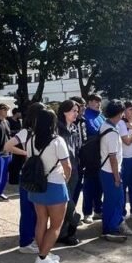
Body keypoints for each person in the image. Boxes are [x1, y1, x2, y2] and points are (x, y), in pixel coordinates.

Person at [23, 109, 71, 263]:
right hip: (55, 185)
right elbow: (67, 166)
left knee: (41, 221)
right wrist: (67, 179)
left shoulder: (30, 139)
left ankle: (43, 252)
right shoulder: (57, 141)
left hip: (36, 186)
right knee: (56, 225)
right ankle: (42, 257)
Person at [3, 102, 45, 254]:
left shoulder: (42, 131)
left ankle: (33, 238)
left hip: (40, 174)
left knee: (38, 209)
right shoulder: (26, 132)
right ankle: (26, 242)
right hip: (29, 174)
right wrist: (26, 153)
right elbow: (7, 146)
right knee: (28, 209)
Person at [99, 100, 131, 241]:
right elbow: (112, 158)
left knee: (111, 201)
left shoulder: (106, 125)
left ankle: (110, 227)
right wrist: (117, 177)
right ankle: (110, 229)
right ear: (119, 113)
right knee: (115, 201)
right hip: (111, 172)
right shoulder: (111, 132)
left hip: (107, 171)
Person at [56, 99, 82, 246]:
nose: (76, 113)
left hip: (74, 169)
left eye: (77, 111)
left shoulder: (73, 128)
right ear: (64, 111)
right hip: (61, 171)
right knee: (66, 202)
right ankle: (74, 220)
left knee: (68, 200)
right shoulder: (57, 129)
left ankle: (64, 233)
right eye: (73, 110)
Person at [80, 94, 104, 224]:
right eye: (95, 101)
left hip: (102, 155)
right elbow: (95, 131)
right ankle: (87, 213)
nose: (98, 104)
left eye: (99, 101)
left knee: (100, 185)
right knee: (89, 186)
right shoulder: (86, 116)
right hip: (90, 156)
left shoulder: (101, 115)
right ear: (89, 102)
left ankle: (98, 210)